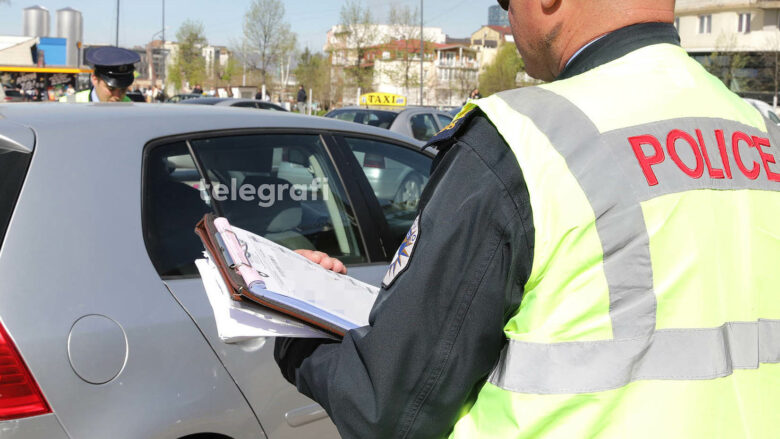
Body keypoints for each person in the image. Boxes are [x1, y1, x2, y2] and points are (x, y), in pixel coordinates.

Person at [275, 0, 780, 437]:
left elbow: (383, 411)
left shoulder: (523, 140)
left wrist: (295, 332)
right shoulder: (764, 132)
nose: (509, 16)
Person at [60, 46, 140, 102]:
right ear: (94, 79)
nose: (117, 96)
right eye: (111, 89)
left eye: (123, 89)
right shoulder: (67, 105)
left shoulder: (130, 107)